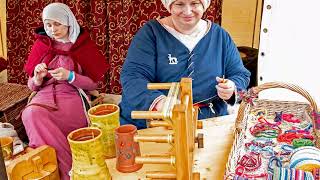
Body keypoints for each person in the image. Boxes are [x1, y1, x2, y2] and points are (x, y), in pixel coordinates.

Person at [120, 0, 251, 129]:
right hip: (159, 122)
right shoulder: (151, 33)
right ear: (169, 6)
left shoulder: (220, 36)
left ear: (204, 5)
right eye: (179, 4)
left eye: (194, 3)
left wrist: (232, 88)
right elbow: (132, 77)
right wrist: (162, 103)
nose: (188, 11)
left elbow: (240, 74)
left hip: (209, 121)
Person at [22, 3, 109, 179]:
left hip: (71, 96)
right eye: (48, 25)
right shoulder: (41, 45)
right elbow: (31, 86)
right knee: (31, 113)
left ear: (68, 22)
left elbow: (93, 85)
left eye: (57, 24)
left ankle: (66, 172)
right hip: (44, 96)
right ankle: (61, 171)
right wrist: (37, 78)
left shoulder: (82, 45)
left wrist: (70, 76)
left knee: (39, 116)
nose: (52, 29)